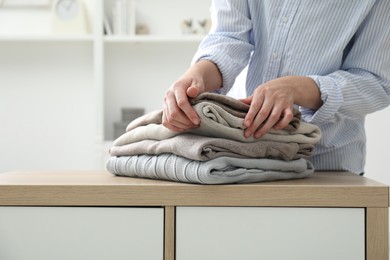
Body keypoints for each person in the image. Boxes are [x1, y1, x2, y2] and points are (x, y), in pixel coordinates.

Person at [162, 1, 390, 174]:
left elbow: (377, 82)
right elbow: (228, 37)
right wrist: (196, 76)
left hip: (326, 165)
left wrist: (300, 88)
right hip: (237, 158)